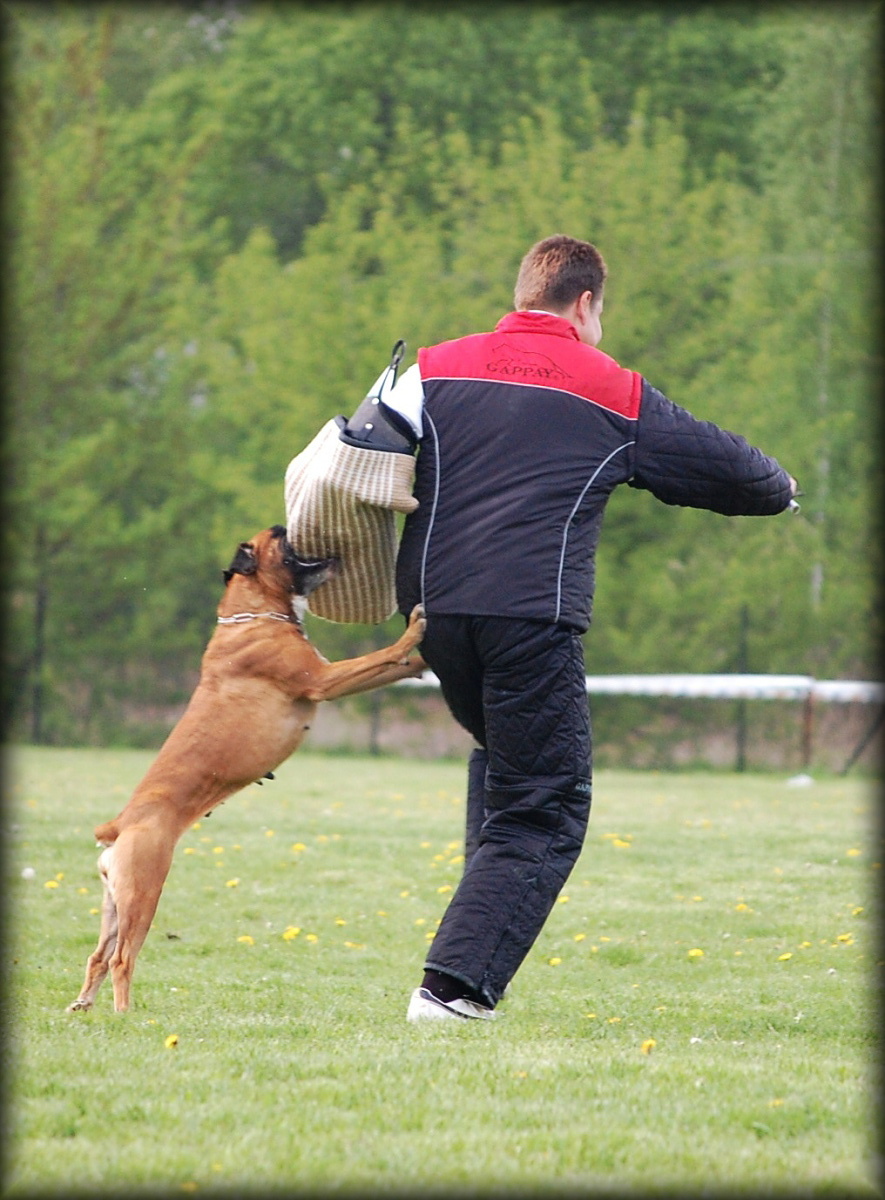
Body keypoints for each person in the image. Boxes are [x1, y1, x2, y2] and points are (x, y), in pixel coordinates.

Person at [374, 234, 798, 1021]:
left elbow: (354, 463)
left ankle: (467, 952)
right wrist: (784, 489)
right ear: (586, 302)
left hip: (430, 617)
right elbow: (735, 472)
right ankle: (452, 990)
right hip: (529, 615)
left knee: (505, 763)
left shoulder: (429, 367)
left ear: (522, 294)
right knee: (544, 800)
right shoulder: (606, 385)